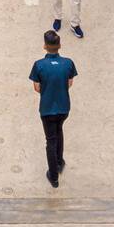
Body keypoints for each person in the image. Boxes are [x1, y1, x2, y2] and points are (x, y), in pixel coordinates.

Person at [29, 30, 77, 188]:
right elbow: (69, 83)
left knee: (50, 140)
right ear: (60, 45)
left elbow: (37, 88)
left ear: (45, 46)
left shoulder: (39, 65)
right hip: (64, 107)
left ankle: (54, 176)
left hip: (47, 109)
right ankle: (59, 162)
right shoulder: (68, 63)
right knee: (59, 131)